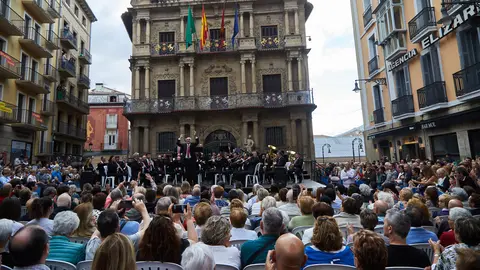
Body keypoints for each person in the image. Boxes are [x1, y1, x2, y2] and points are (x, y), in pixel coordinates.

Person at [85, 199, 151, 260]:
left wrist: (110, 211)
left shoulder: (92, 245)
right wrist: (143, 210)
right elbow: (146, 230)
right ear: (118, 227)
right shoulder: (126, 243)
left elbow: (98, 229)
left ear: (98, 228)